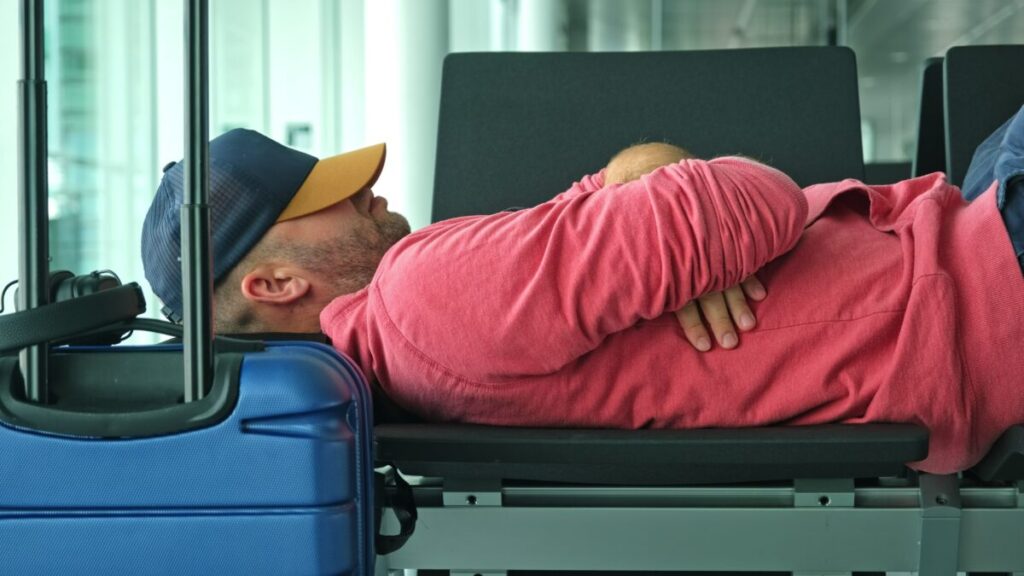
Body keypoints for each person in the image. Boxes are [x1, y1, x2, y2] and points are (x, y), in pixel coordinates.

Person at [143, 110, 1024, 475]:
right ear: (275, 282)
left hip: (945, 243)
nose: (366, 191)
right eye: (321, 199)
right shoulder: (422, 296)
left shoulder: (415, 333)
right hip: (976, 280)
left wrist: (648, 182)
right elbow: (756, 199)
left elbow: (612, 194)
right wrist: (677, 203)